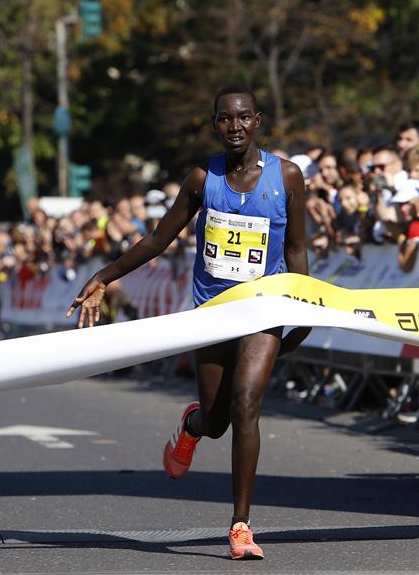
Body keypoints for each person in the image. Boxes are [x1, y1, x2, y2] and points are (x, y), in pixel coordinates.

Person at [67, 84, 309, 560]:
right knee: (217, 421)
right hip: (213, 311)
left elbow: (297, 249)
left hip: (266, 308)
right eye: (225, 118)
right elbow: (158, 240)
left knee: (246, 403)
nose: (234, 126)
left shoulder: (288, 176)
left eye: (243, 117)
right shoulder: (202, 179)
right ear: (215, 124)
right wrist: (103, 276)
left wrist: (303, 311)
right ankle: (193, 425)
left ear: (257, 121)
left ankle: (241, 525)